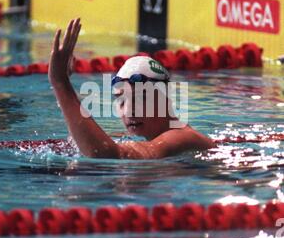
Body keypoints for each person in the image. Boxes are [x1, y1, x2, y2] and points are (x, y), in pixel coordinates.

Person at [48, 19, 215, 159]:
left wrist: (60, 83)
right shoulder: (150, 136)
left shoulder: (182, 137)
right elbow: (83, 143)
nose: (129, 111)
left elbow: (105, 153)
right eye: (121, 100)